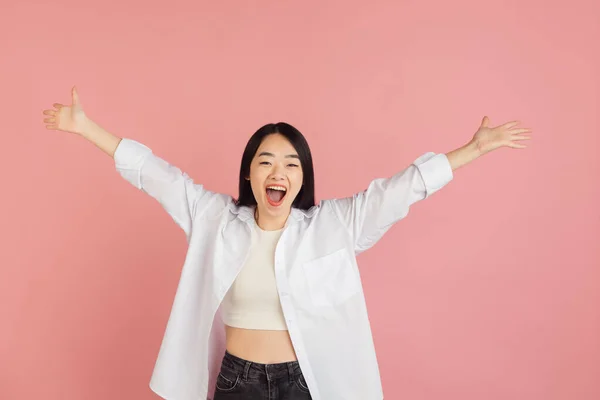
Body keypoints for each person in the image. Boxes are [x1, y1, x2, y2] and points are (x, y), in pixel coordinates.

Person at [42, 87, 531, 400]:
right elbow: (155, 174)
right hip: (237, 381)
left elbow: (402, 190)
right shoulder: (215, 219)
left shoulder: (333, 226)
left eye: (292, 163)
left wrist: (474, 149)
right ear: (250, 172)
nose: (279, 171)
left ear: (303, 177)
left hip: (304, 382)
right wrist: (84, 127)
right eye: (267, 161)